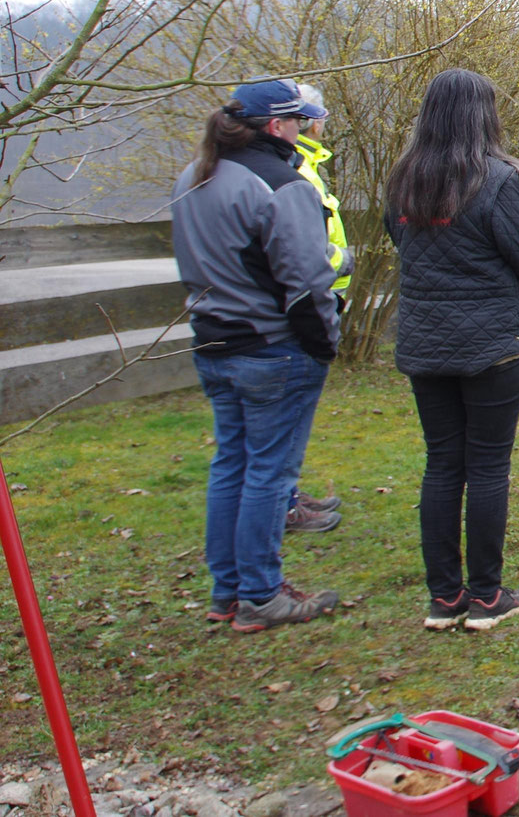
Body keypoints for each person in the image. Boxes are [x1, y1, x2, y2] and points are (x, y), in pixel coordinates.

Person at [384, 69, 519, 632]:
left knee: (442, 463)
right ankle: (486, 597)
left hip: (424, 341)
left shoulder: (403, 180)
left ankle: (445, 597)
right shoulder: (498, 180)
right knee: (486, 465)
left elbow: (402, 241)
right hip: (491, 344)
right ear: (483, 115)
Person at [169, 79, 341, 633]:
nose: (302, 128)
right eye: (296, 120)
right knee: (269, 473)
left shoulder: (196, 177)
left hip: (213, 341)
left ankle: (228, 591)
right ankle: (262, 595)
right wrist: (323, 344)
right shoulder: (281, 185)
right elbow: (306, 281)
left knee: (232, 466)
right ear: (276, 126)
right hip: (271, 348)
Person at [284, 82, 351, 536]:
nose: (324, 121)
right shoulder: (294, 172)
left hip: (318, 303)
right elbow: (299, 250)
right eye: (318, 114)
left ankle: (285, 493)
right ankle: (282, 503)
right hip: (303, 310)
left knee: (288, 421)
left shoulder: (304, 164)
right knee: (284, 418)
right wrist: (340, 261)